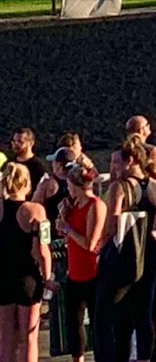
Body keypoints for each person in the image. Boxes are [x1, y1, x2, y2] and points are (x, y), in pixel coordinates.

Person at [98, 136, 156, 362]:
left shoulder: (119, 187)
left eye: (116, 162)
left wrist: (102, 247)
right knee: (144, 316)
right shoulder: (154, 186)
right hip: (148, 254)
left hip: (123, 256)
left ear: (130, 161)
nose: (113, 168)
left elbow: (112, 224)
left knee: (110, 318)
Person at [0, 162, 51, 362]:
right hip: (27, 277)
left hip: (3, 275)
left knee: (5, 337)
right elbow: (42, 250)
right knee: (29, 337)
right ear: (28, 184)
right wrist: (48, 278)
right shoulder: (35, 211)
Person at [58, 159, 102, 362]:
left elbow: (90, 243)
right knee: (73, 324)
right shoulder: (74, 205)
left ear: (77, 186)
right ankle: (78, 358)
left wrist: (68, 228)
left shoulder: (95, 205)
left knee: (97, 322)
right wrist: (63, 217)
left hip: (92, 271)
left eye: (69, 186)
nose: (68, 190)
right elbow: (66, 234)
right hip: (74, 271)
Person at [118, 119, 156, 187]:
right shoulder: (152, 151)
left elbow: (113, 179)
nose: (149, 126)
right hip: (147, 191)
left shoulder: (117, 154)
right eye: (147, 125)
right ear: (141, 130)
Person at [7, 133, 43, 199]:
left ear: (31, 143)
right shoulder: (9, 163)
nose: (15, 144)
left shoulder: (38, 166)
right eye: (14, 141)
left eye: (20, 141)